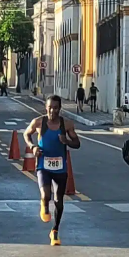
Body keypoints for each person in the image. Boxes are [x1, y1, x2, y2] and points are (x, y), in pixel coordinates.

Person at [23, 95, 81, 246]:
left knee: (59, 201)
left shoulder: (66, 124)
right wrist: (33, 147)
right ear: (46, 107)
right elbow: (26, 134)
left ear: (60, 109)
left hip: (60, 167)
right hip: (43, 165)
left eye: (55, 108)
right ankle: (44, 206)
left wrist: (66, 141)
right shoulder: (38, 122)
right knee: (46, 195)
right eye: (50, 108)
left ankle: (55, 231)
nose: (52, 111)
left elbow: (77, 143)